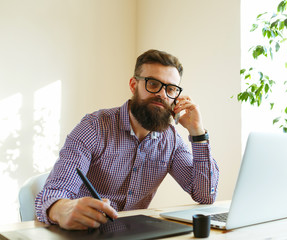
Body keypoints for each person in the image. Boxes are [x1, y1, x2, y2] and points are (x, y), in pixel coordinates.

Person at [35, 49, 219, 230]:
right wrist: (61, 209)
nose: (162, 94)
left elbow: (205, 195)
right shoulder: (94, 127)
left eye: (171, 89)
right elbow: (52, 193)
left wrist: (197, 133)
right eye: (153, 84)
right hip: (84, 232)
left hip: (131, 233)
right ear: (133, 85)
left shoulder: (170, 140)